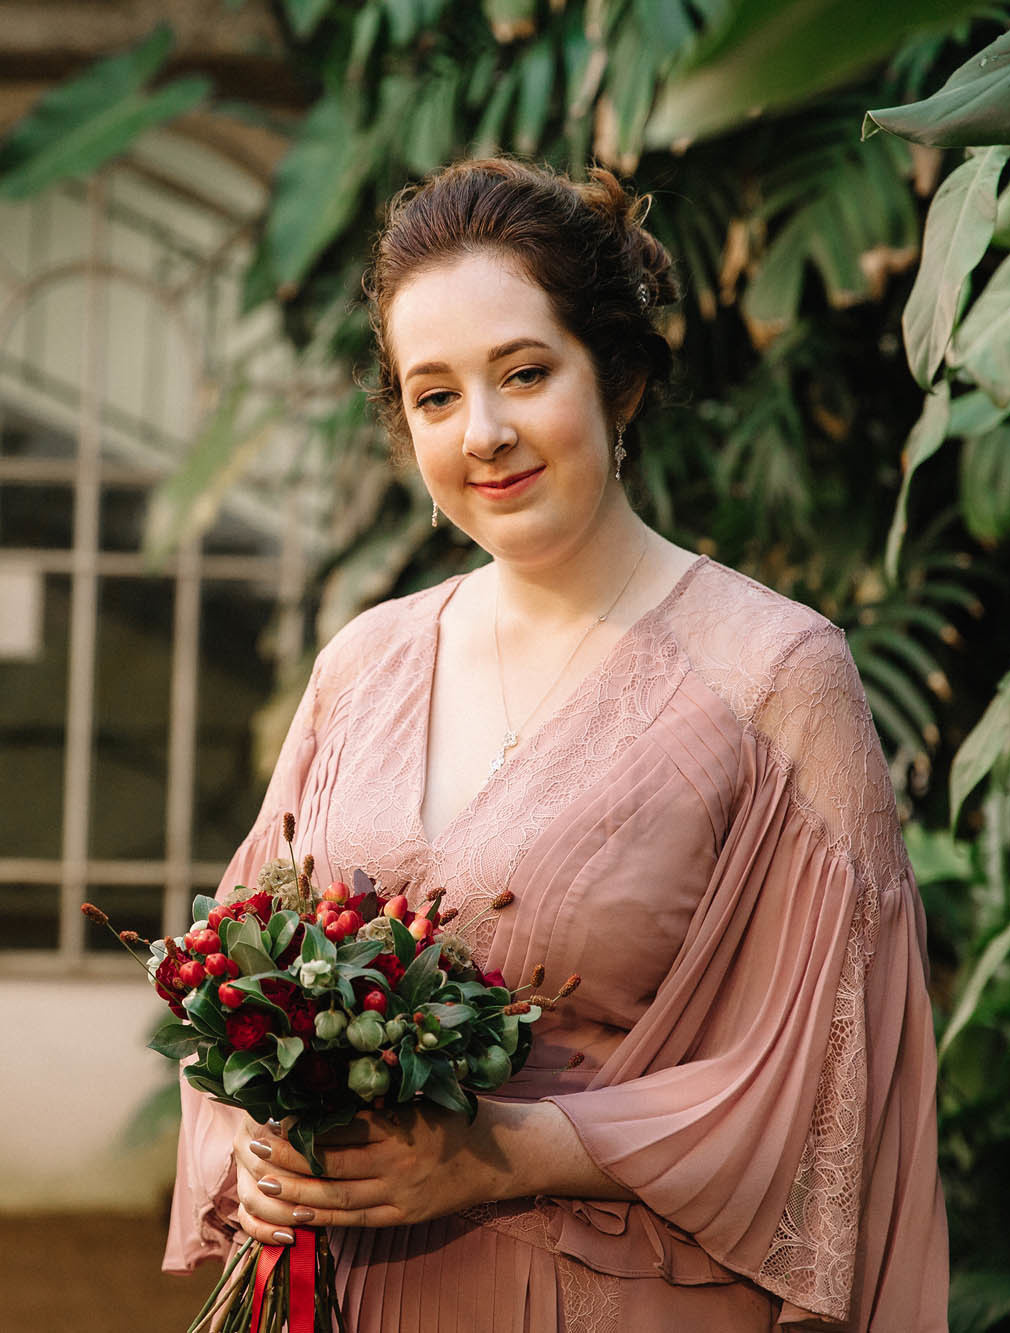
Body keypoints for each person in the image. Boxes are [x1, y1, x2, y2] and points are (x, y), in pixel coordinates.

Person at [166, 159, 948, 1330]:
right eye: (433, 397)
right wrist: (259, 1140)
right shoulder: (361, 666)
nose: (482, 433)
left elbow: (837, 1083)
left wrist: (509, 1149)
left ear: (619, 378)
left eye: (523, 373)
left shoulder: (775, 675)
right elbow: (239, 964)